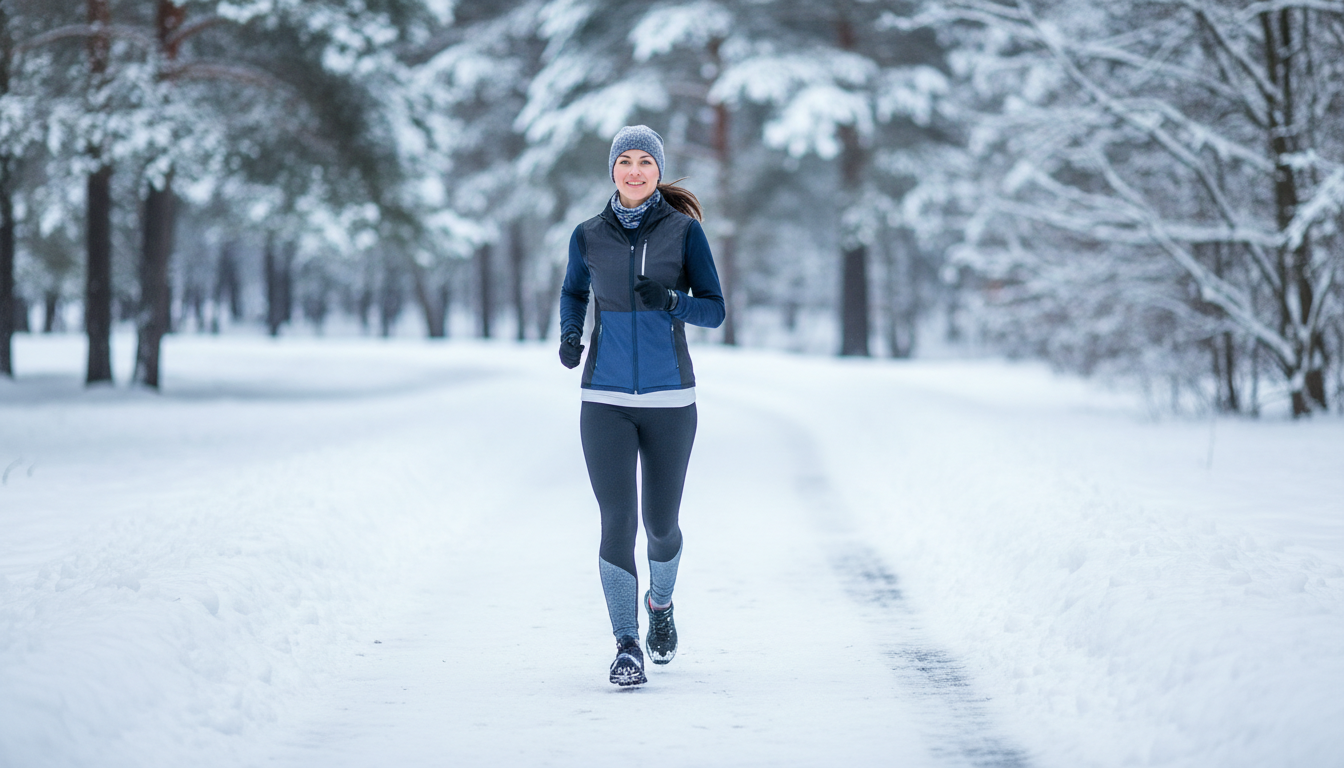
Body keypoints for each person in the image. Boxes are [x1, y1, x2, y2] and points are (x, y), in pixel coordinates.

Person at [558, 125, 725, 686]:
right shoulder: (588, 235)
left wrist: (674, 301)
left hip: (671, 399)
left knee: (660, 525)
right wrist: (569, 333)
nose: (634, 170)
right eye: (624, 161)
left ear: (658, 170)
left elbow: (715, 310)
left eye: (644, 162)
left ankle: (660, 606)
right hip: (603, 398)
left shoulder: (684, 233)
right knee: (617, 521)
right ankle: (626, 644)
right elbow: (573, 290)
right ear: (612, 170)